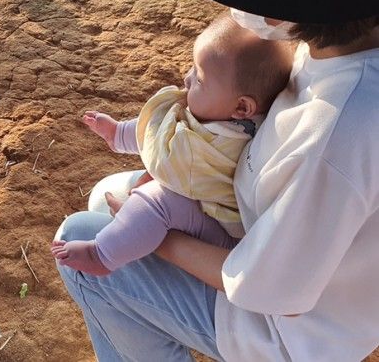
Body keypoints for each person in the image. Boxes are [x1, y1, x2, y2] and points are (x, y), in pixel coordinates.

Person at [54, 0, 379, 361]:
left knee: (90, 242)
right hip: (272, 234)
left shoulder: (342, 128)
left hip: (287, 330)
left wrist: (158, 237)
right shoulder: (334, 44)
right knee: (109, 198)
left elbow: (271, 292)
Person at [51, 16, 292, 275]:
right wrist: (119, 133)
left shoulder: (215, 144)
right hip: (218, 216)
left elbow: (160, 144)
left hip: (226, 240)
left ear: (242, 107)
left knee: (157, 201)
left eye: (199, 79)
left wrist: (123, 141)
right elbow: (161, 130)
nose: (187, 79)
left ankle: (101, 254)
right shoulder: (241, 117)